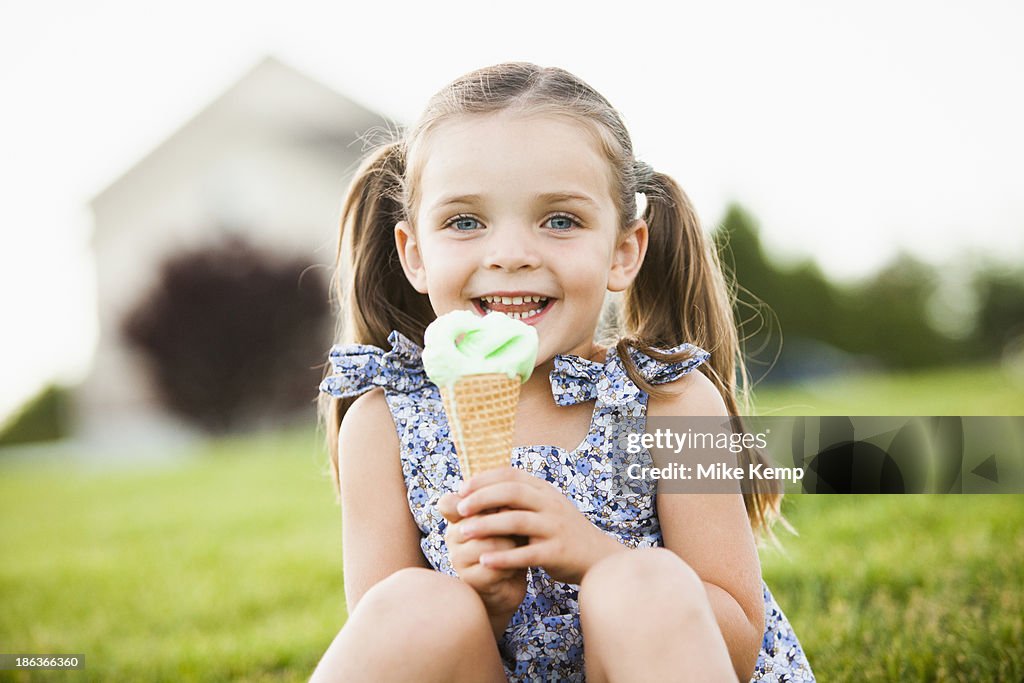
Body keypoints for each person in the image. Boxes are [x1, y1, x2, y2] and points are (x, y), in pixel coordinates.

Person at [310, 62, 814, 682]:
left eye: (560, 221)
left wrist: (598, 558)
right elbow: (398, 654)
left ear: (623, 251)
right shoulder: (384, 423)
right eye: (465, 222)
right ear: (415, 254)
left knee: (644, 584)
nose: (512, 255)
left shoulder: (667, 402)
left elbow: (737, 643)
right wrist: (487, 605)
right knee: (414, 608)